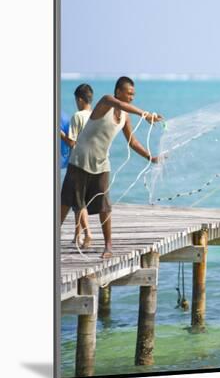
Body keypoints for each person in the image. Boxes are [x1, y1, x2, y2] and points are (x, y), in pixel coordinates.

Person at [61, 76, 163, 258]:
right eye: (129, 93)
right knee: (66, 203)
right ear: (118, 92)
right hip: (80, 161)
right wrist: (145, 114)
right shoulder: (106, 101)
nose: (132, 97)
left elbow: (132, 141)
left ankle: (108, 246)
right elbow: (122, 105)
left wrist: (151, 157)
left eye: (134, 94)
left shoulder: (125, 117)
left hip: (101, 164)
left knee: (105, 207)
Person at [60, 83, 94, 248]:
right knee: (78, 201)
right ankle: (77, 235)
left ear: (80, 99)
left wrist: (60, 134)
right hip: (92, 164)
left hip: (76, 164)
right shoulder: (96, 115)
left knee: (73, 201)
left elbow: (72, 142)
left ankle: (87, 233)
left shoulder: (78, 116)